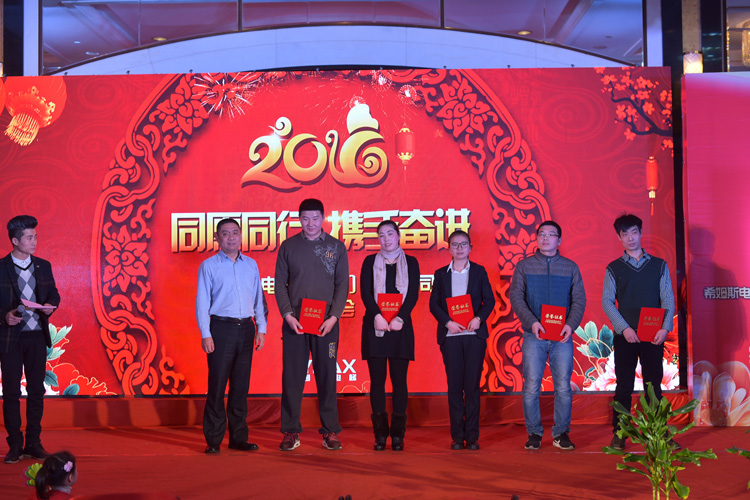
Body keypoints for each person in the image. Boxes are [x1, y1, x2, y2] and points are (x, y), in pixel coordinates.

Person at [275, 199, 349, 451]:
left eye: (315, 218)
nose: (310, 223)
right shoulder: (288, 246)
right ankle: (290, 431)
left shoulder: (336, 247)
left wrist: (333, 317)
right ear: (299, 219)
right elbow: (279, 285)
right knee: (292, 377)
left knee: (327, 376)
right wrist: (288, 315)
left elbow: (342, 286)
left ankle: (330, 431)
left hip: (326, 324)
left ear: (323, 218)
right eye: (305, 218)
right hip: (294, 323)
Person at [509, 220, 586, 451]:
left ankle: (561, 433)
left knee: (563, 386)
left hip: (562, 336)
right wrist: (532, 322)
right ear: (536, 238)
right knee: (532, 385)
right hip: (534, 335)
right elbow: (516, 297)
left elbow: (579, 300)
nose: (545, 238)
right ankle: (533, 433)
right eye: (541, 234)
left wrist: (570, 325)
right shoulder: (524, 266)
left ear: (559, 240)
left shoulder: (570, 267)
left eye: (551, 235)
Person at [602, 214, 676, 450]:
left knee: (653, 386)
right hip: (625, 336)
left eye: (634, 232)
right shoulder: (614, 268)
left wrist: (665, 327)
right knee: (623, 385)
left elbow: (667, 298)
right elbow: (607, 302)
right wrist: (624, 329)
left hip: (653, 335)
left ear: (641, 233)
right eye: (625, 234)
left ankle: (659, 433)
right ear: (619, 237)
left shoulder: (658, 265)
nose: (630, 238)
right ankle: (620, 433)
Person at [196, 218, 266, 454]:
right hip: (221, 329)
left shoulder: (251, 265)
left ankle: (238, 438)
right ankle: (213, 440)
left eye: (235, 232)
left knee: (240, 386)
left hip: (246, 328)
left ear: (241, 235)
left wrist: (261, 328)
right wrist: (206, 333)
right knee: (217, 386)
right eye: (225, 233)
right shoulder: (208, 266)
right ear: (217, 238)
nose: (231, 237)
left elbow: (258, 299)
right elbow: (202, 302)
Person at [1, 215, 60, 464]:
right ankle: (15, 444)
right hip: (11, 339)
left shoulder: (43, 266)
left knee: (37, 390)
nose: (34, 241)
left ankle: (33, 442)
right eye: (29, 237)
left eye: (35, 236)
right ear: (15, 241)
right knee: (11, 392)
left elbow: (54, 294)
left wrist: (50, 306)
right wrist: (4, 316)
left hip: (37, 336)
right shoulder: (1, 267)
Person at [429, 230, 495, 450]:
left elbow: (489, 301)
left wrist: (478, 319)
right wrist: (448, 322)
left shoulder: (479, 271)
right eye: (455, 244)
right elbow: (434, 304)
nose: (459, 248)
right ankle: (457, 436)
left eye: (463, 244)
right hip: (451, 337)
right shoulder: (441, 274)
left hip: (474, 336)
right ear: (449, 248)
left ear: (470, 248)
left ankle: (472, 437)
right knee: (455, 387)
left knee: (472, 386)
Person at [360, 220, 420, 451]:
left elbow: (412, 294)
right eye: (381, 235)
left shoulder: (411, 262)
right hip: (375, 326)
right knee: (377, 381)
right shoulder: (369, 262)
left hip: (400, 327)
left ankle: (397, 435)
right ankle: (379, 434)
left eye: (390, 234)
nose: (386, 239)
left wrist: (400, 318)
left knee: (399, 381)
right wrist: (376, 315)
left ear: (398, 236)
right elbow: (366, 293)